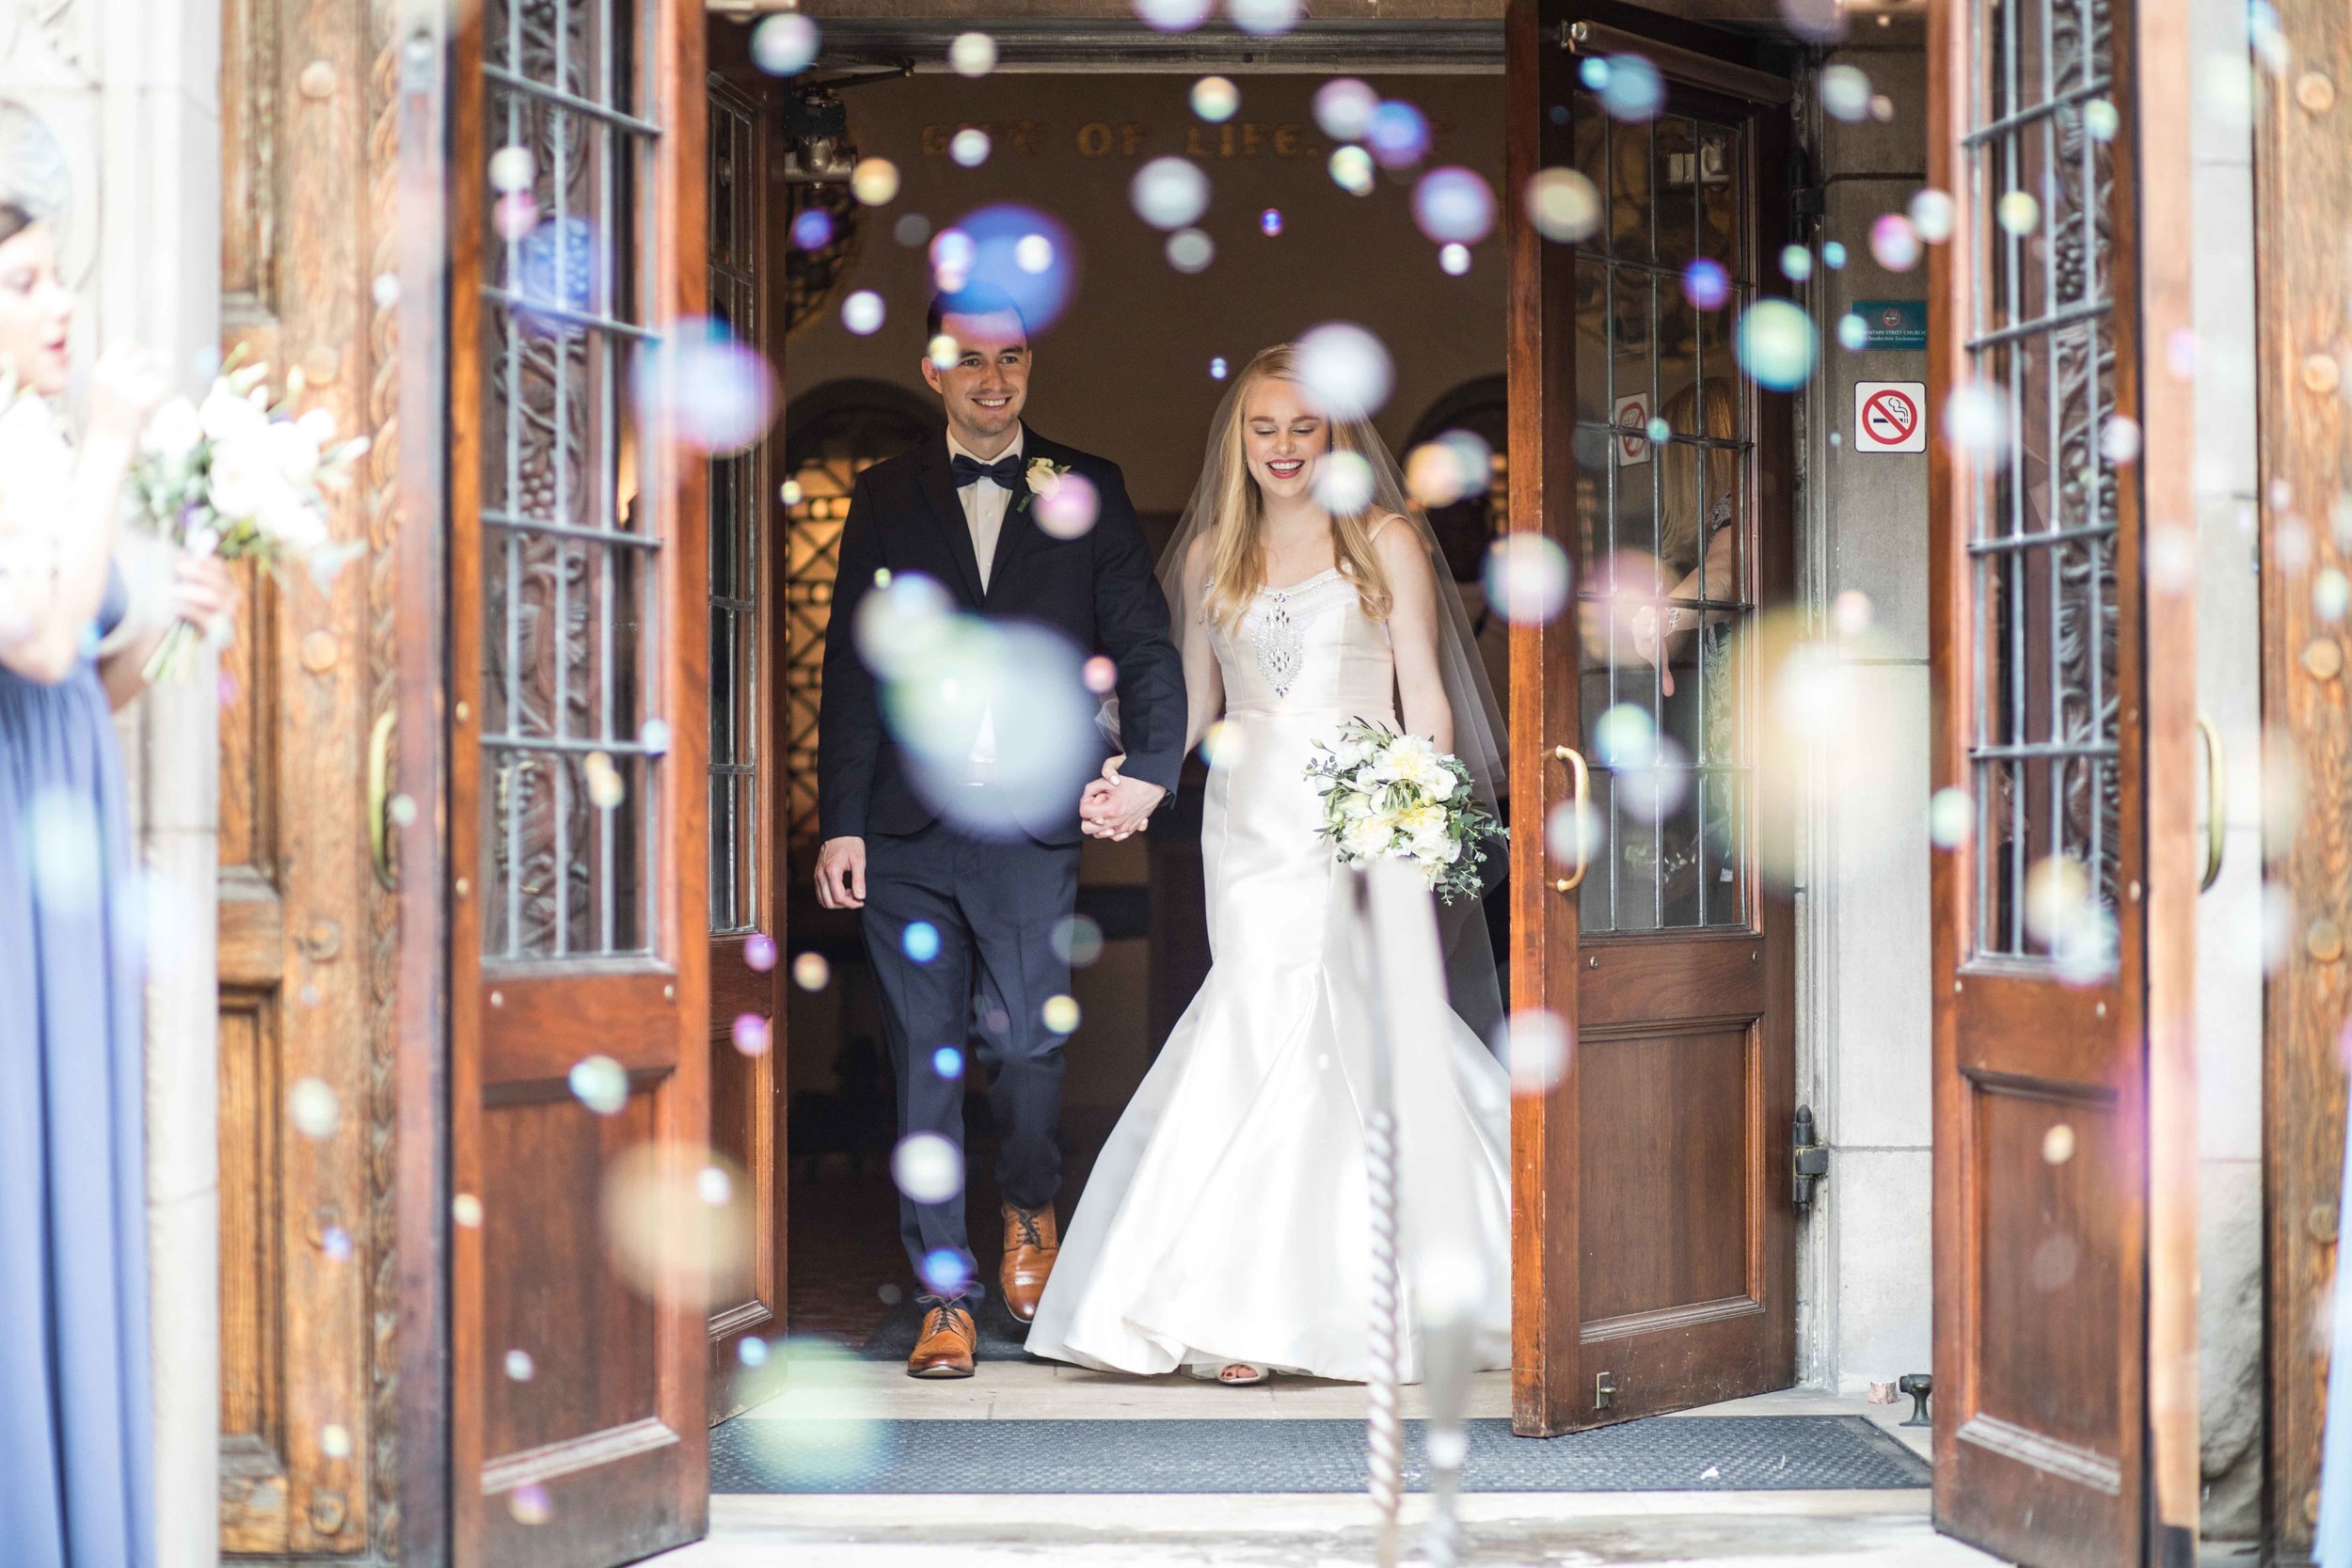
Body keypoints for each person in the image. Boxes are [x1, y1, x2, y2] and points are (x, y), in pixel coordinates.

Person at [1027, 343, 1512, 1386]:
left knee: (1340, 1014)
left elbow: (1421, 692)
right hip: (1246, 819)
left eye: (1302, 427)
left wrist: (1416, 807)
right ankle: (1231, 1303)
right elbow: (1193, 705)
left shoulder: (1384, 539)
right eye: (1263, 429)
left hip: (1357, 806)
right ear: (1238, 440)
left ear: (1333, 434)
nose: (1283, 448)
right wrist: (1140, 781)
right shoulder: (1210, 555)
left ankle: (1308, 1301)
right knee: (1255, 1009)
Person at [813, 282, 1186, 1379]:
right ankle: (945, 1296)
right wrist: (843, 823)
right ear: (933, 368)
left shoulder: (1088, 487)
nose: (993, 379)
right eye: (971, 360)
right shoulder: (884, 494)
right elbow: (853, 667)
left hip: (1030, 823)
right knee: (923, 1067)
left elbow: (1143, 642)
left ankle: (1029, 1198)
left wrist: (1154, 766)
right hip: (907, 834)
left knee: (1026, 1048)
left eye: (1011, 359)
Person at [0, 200, 239, 1568]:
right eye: (23, 282)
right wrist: (107, 441)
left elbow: (90, 678)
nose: (58, 306)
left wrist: (168, 617)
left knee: (72, 1161)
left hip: (66, 824)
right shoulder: (49, 451)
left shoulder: (33, 450)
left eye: (56, 279)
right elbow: (31, 645)